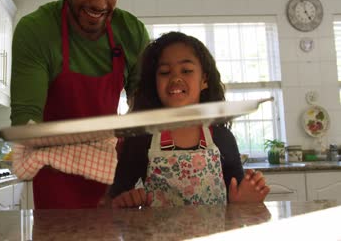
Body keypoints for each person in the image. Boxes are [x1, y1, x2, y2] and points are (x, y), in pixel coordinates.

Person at [10, 0, 150, 209]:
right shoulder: (36, 30)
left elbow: (144, 106)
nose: (100, 3)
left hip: (112, 180)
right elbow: (26, 123)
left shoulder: (131, 32)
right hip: (54, 179)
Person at [109, 32, 270, 207]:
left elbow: (237, 203)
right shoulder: (141, 139)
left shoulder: (222, 138)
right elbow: (115, 200)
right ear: (154, 83)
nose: (175, 78)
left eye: (186, 71)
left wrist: (245, 202)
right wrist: (125, 202)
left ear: (204, 80)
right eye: (164, 72)